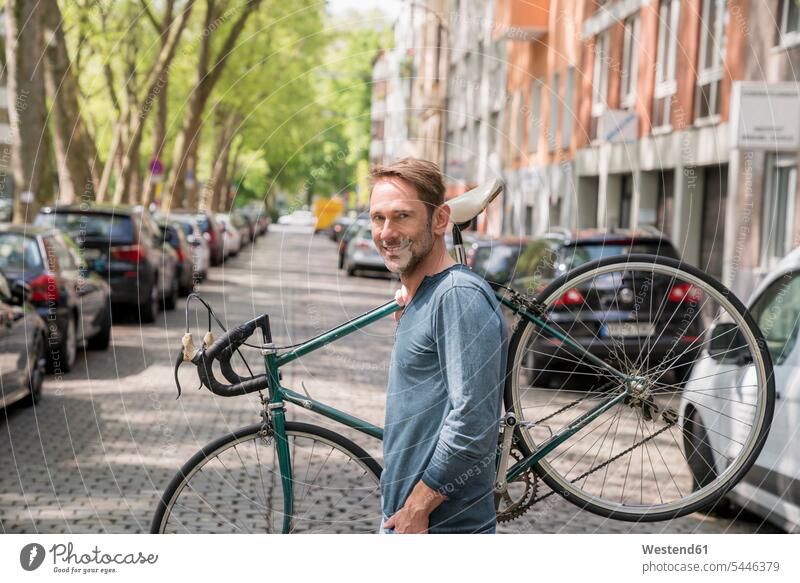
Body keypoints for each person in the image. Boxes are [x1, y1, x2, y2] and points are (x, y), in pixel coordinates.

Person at [369, 158, 508, 534]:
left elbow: (474, 422)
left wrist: (419, 504)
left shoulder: (458, 296)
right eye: (377, 218)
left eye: (402, 217)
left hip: (443, 527)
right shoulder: (425, 296)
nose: (386, 232)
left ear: (439, 220)